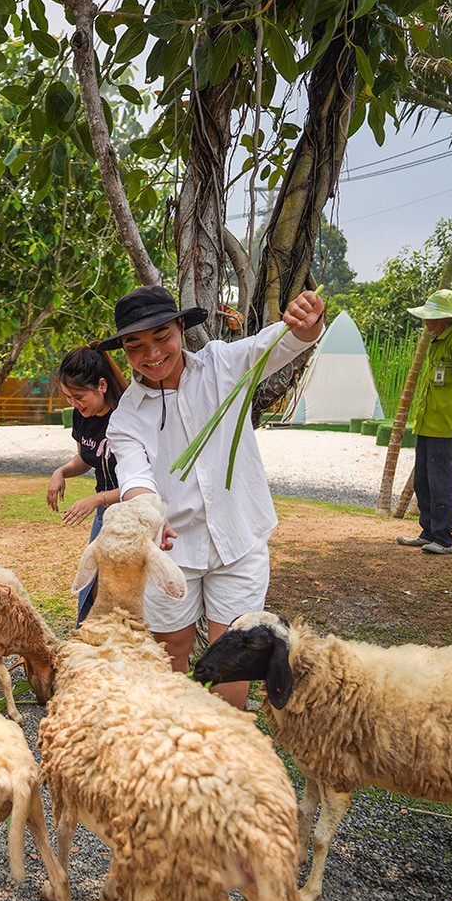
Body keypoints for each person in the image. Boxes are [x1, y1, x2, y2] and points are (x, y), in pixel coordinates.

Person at [104, 283, 326, 709]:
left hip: (240, 540)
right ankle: (179, 737)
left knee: (233, 657)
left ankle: (227, 742)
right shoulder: (126, 416)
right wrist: (149, 512)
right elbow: (134, 476)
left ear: (181, 328)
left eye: (161, 337)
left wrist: (307, 321)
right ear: (124, 352)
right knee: (171, 649)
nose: (151, 354)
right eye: (135, 347)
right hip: (171, 551)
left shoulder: (223, 364)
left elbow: (284, 341)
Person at [395, 288, 452, 556]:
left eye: (430, 317)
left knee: (442, 482)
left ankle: (444, 538)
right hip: (427, 424)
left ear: (444, 318)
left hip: (446, 427)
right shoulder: (438, 342)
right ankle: (428, 532)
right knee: (424, 481)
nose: (426, 322)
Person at [43, 345, 125, 622]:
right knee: (91, 584)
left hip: (135, 512)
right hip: (106, 512)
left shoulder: (128, 415)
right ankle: (88, 643)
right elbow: (86, 458)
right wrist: (61, 471)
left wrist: (96, 499)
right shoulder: (83, 416)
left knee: (121, 589)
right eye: (68, 397)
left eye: (79, 396)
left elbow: (149, 481)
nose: (74, 404)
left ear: (102, 385)